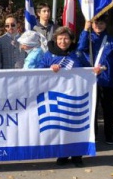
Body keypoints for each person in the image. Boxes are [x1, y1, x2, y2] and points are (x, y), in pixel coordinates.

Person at [38, 26, 100, 167]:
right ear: (55, 40)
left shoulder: (77, 53)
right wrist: (49, 69)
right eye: (60, 38)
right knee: (61, 127)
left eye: (66, 38)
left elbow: (88, 69)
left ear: (71, 40)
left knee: (76, 125)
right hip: (57, 97)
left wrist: (95, 71)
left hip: (76, 95)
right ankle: (63, 154)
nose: (63, 41)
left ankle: (77, 155)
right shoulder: (49, 55)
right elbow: (39, 72)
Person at [77, 14, 113, 144]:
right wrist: (85, 29)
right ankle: (93, 134)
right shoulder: (88, 38)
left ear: (106, 25)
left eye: (101, 23)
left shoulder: (111, 41)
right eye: (96, 23)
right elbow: (80, 48)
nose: (98, 26)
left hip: (107, 80)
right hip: (91, 79)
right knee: (92, 108)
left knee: (108, 108)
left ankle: (109, 134)